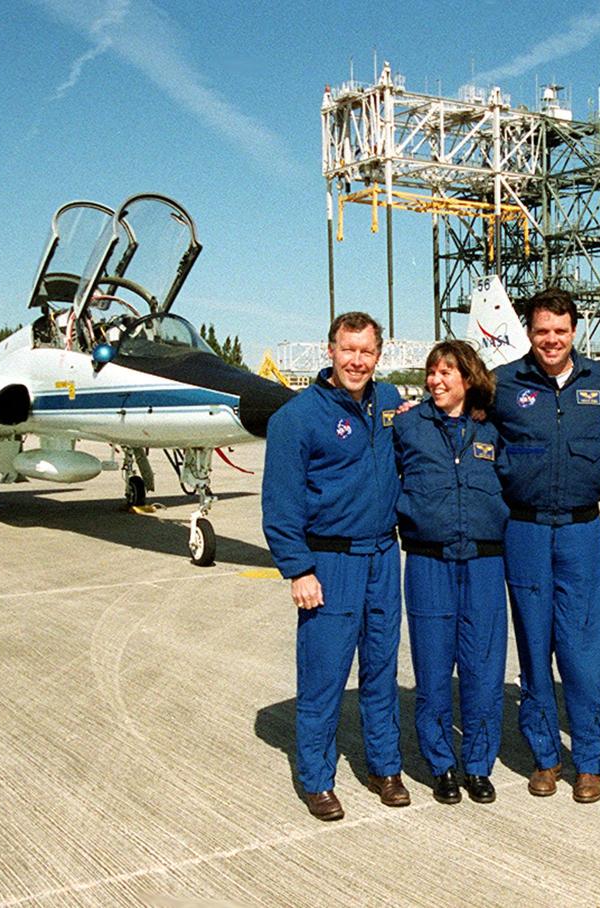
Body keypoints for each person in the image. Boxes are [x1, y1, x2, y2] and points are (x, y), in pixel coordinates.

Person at [261, 311, 408, 822]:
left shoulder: (389, 403)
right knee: (324, 675)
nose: (357, 361)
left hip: (384, 557)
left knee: (382, 670)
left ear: (378, 355)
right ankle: (317, 778)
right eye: (349, 350)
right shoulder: (296, 419)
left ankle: (384, 767)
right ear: (330, 350)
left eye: (367, 352)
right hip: (330, 561)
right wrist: (298, 569)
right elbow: (280, 505)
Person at [489, 287, 600, 804]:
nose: (551, 340)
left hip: (582, 530)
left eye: (560, 331)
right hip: (524, 530)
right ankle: (545, 756)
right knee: (535, 646)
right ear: (529, 331)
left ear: (574, 332)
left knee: (586, 651)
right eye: (542, 331)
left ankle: (590, 760)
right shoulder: (503, 384)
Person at [393, 340, 509, 806]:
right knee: (434, 669)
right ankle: (441, 765)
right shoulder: (406, 425)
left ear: (468, 378)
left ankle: (478, 766)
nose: (435, 380)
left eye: (446, 372)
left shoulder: (493, 428)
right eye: (432, 372)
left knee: (483, 669)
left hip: (483, 561)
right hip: (428, 562)